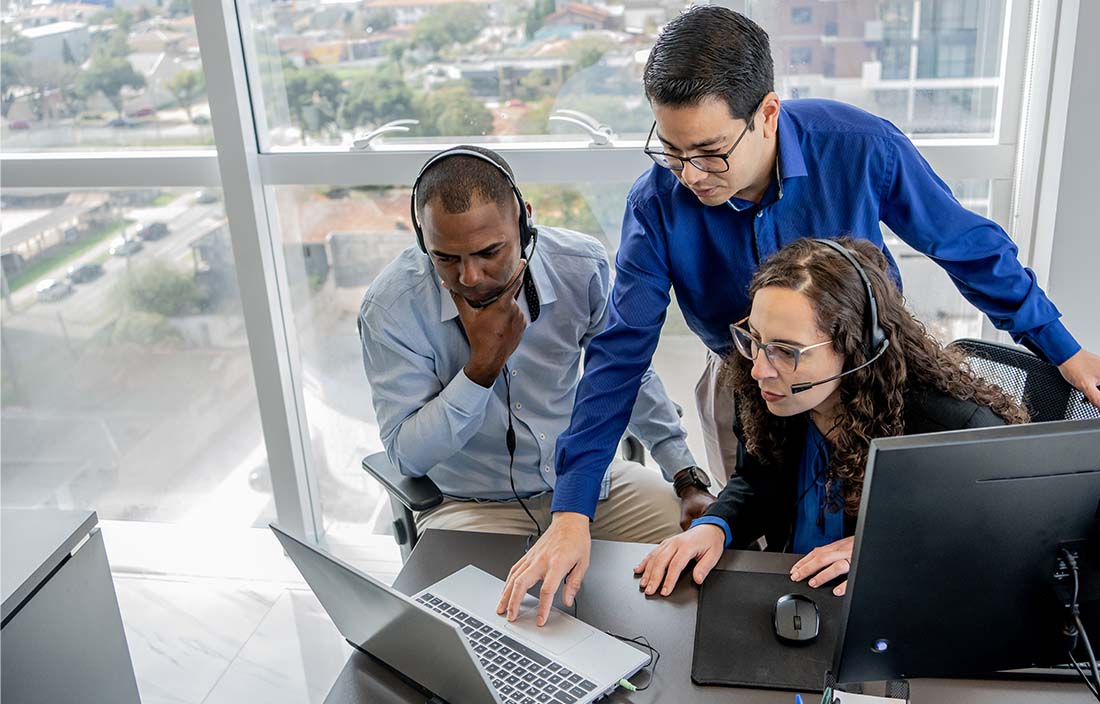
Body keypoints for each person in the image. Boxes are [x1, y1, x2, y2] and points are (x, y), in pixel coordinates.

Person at [498, 5, 1098, 626]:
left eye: (708, 152)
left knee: (891, 548)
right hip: (749, 386)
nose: (689, 175)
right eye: (670, 150)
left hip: (874, 386)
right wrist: (575, 512)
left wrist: (1064, 350)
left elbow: (970, 250)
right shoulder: (659, 203)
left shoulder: (861, 147)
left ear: (767, 114)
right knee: (774, 533)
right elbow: (620, 357)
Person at [633, 237, 1029, 598]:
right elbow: (758, 481)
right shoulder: (767, 391)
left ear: (857, 348)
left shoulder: (955, 428)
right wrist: (713, 526)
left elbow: (1000, 535)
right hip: (794, 588)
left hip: (890, 601)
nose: (758, 369)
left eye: (787, 351)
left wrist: (886, 548)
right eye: (754, 339)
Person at [358, 145, 711, 543]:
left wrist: (686, 477)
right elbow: (407, 456)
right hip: (471, 506)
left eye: (489, 252)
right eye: (446, 258)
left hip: (590, 488)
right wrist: (481, 370)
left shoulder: (579, 267)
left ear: (525, 222)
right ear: (423, 241)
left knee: (701, 552)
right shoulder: (391, 307)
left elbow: (627, 375)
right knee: (475, 605)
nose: (471, 276)